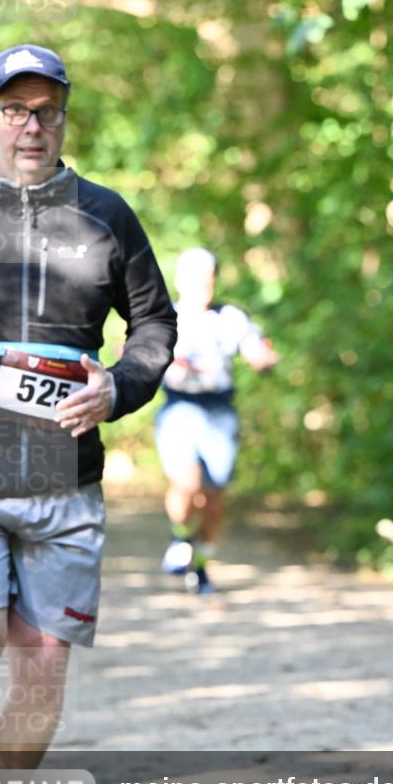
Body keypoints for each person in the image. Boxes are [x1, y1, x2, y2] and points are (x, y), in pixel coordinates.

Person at [0, 44, 177, 784]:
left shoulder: (106, 215)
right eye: (16, 109)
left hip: (64, 477)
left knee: (41, 662)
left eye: (48, 111)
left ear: (65, 118)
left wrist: (122, 387)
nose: (32, 126)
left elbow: (153, 327)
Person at [155, 247, 277, 594]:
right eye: (194, 280)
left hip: (220, 414)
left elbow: (256, 350)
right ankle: (180, 537)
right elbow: (134, 351)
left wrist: (263, 359)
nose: (202, 287)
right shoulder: (164, 316)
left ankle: (203, 564)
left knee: (214, 496)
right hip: (179, 408)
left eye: (207, 280)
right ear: (179, 281)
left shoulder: (231, 318)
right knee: (186, 483)